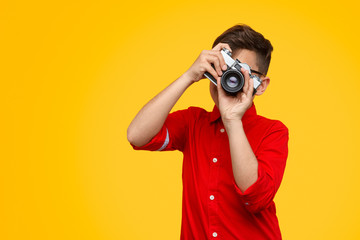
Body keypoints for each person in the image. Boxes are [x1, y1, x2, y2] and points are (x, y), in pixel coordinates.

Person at [127, 24, 289, 240]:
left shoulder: (273, 131)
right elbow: (136, 135)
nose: (231, 79)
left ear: (260, 85)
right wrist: (188, 76)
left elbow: (256, 197)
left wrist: (232, 120)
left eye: (241, 72)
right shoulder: (193, 122)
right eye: (224, 70)